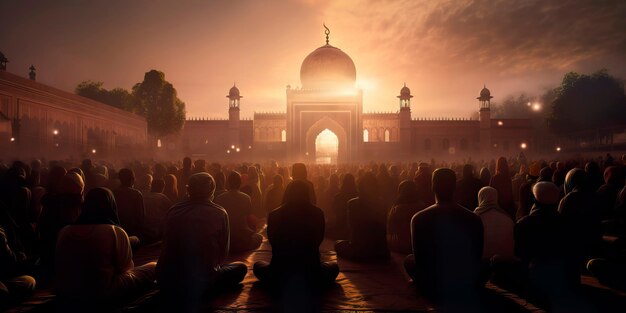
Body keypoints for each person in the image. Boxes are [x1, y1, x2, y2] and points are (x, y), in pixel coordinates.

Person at [157, 173, 247, 311]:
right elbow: (223, 255)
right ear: (212, 190)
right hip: (201, 282)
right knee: (241, 268)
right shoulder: (219, 213)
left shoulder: (173, 210)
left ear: (188, 189)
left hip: (166, 281)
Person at [55, 188, 156, 308]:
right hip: (103, 294)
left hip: (66, 292)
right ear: (111, 205)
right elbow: (126, 269)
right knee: (153, 266)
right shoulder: (114, 231)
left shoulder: (64, 231)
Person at [404, 168, 484, 311]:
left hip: (433, 282)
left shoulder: (419, 218)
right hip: (465, 281)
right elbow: (477, 256)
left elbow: (419, 258)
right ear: (455, 187)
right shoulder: (474, 218)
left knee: (409, 260)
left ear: (432, 186)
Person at [253, 180, 338, 288]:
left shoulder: (274, 214)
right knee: (334, 267)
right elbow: (318, 240)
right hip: (311, 272)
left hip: (279, 272)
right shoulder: (318, 213)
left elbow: (273, 241)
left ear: (287, 193)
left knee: (257, 265)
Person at [515, 182, 582, 309]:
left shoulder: (524, 224)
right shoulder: (567, 223)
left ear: (534, 200)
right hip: (562, 279)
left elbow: (519, 254)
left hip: (535, 278)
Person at [335, 173, 389, 261]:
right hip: (380, 251)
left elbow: (351, 226)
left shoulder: (352, 203)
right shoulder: (382, 203)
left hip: (360, 251)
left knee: (337, 244)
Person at [558, 169, 602, 261]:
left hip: (574, 247)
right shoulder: (596, 196)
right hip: (594, 244)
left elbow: (560, 224)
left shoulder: (567, 200)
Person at [215, 171, 263, 253]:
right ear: (240, 183)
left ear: (228, 183)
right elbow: (249, 219)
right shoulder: (246, 198)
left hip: (225, 241)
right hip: (242, 240)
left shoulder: (219, 198)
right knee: (259, 237)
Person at [474, 187, 514, 260]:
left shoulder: (474, 219)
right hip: (503, 262)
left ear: (480, 198)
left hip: (480, 261)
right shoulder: (507, 219)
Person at [387, 180, 424, 254]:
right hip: (420, 245)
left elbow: (390, 228)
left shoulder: (396, 209)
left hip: (401, 245)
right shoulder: (423, 208)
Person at [113, 168, 145, 242]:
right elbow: (140, 216)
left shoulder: (114, 192)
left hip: (117, 229)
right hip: (132, 231)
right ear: (132, 179)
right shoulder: (136, 194)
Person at [327, 174, 358, 239]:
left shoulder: (337, 197)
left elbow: (333, 211)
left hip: (340, 226)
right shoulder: (357, 197)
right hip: (354, 229)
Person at [142, 178, 172, 243]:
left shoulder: (144, 196)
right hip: (157, 229)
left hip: (144, 227)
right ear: (162, 187)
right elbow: (170, 213)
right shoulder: (163, 198)